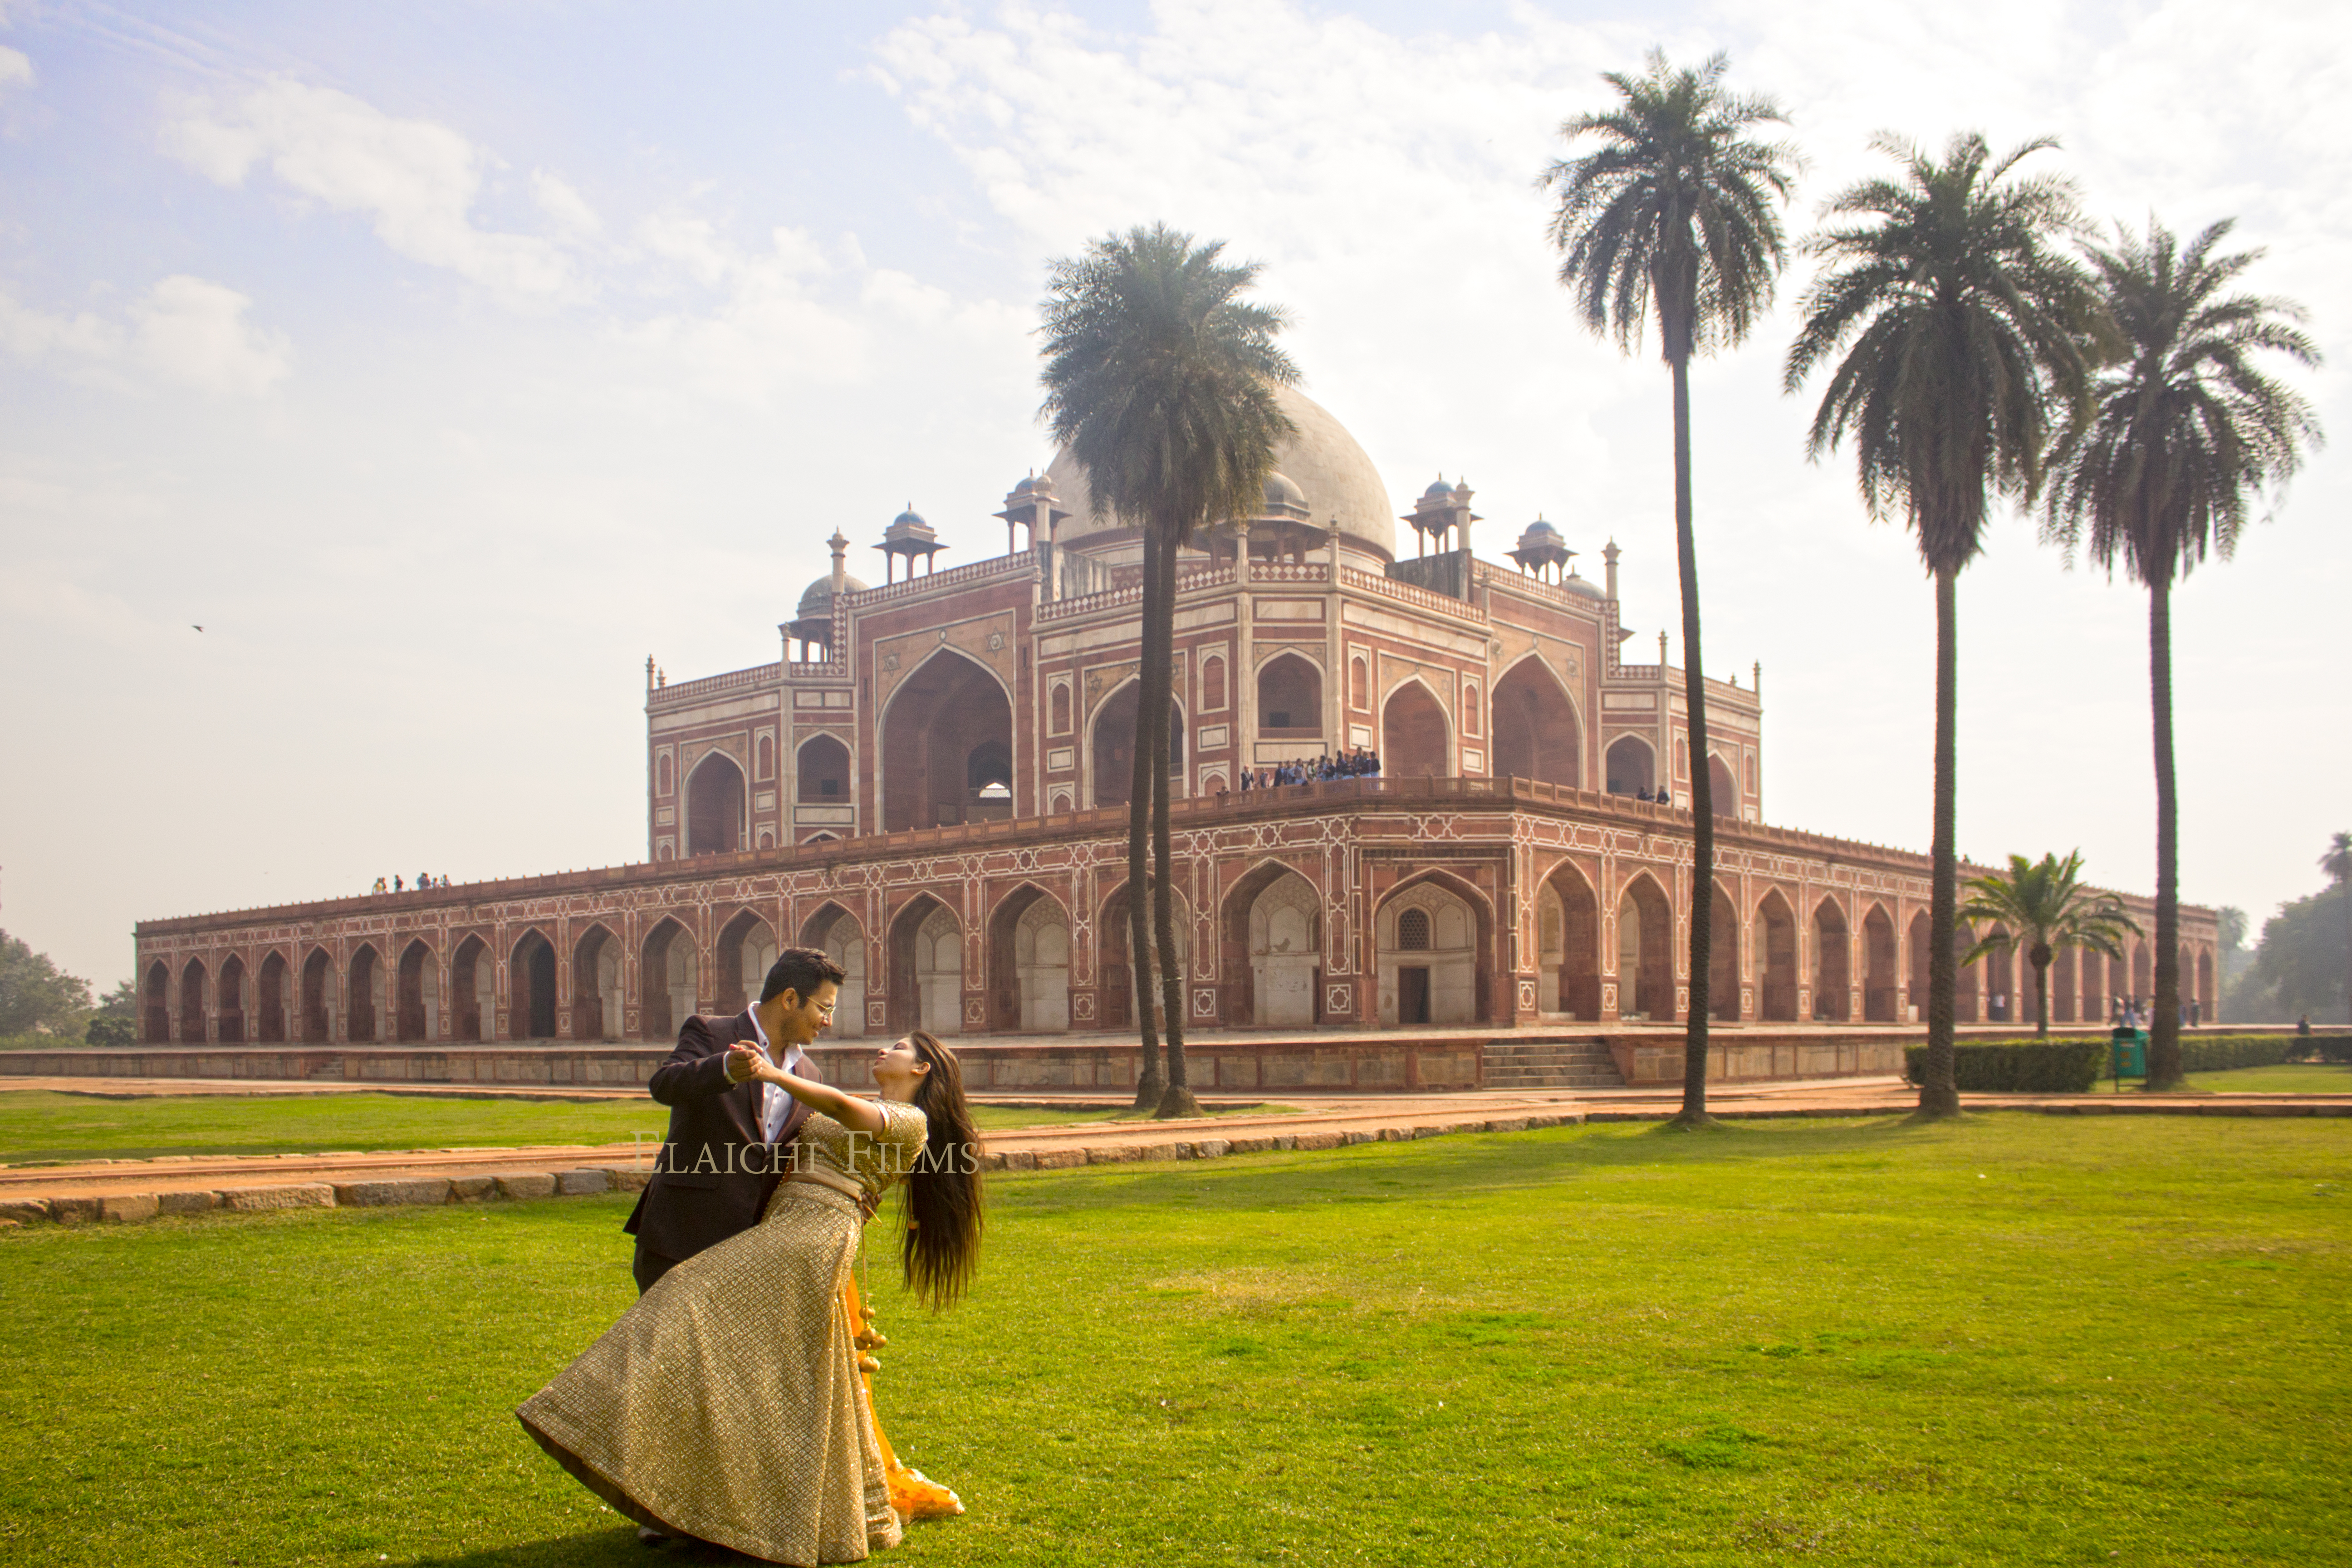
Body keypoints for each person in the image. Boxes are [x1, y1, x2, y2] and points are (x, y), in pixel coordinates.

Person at [519, 1027, 984, 1563]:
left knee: (684, 1300)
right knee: (757, 1375)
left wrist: (769, 1072)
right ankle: (718, 1505)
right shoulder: (866, 1105)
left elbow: (842, 1108)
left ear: (921, 1070)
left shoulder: (911, 1122)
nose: (884, 1050)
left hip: (812, 1236)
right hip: (784, 1227)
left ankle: (613, 1436)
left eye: (899, 1049)